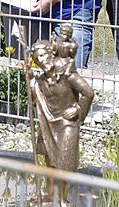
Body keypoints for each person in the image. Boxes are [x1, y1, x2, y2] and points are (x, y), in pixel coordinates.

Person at [28, 39, 94, 204]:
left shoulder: (67, 75)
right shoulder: (40, 80)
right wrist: (29, 81)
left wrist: (78, 110)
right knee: (49, 159)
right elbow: (33, 100)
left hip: (66, 123)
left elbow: (88, 93)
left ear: (52, 54)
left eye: (43, 55)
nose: (41, 60)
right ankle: (49, 193)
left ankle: (64, 200)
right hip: (49, 122)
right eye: (37, 59)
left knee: (64, 162)